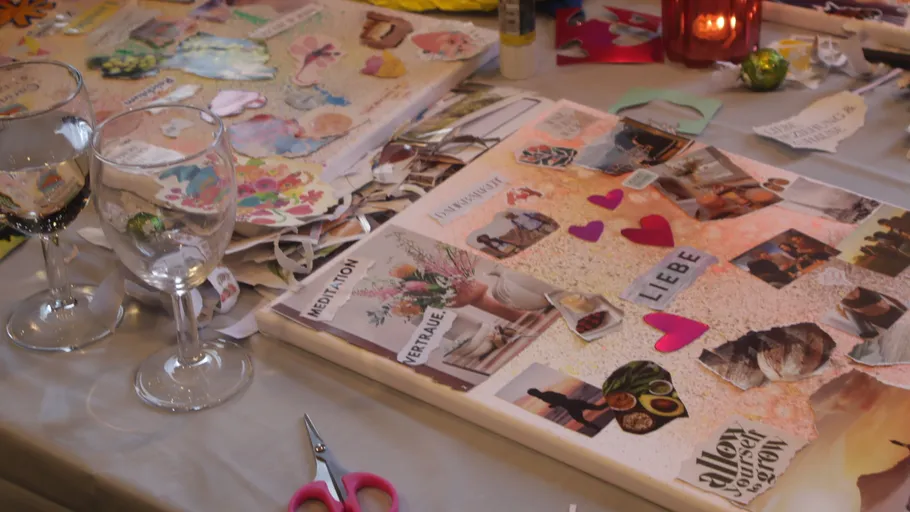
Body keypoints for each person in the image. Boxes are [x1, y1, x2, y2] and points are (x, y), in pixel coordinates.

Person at [527, 388, 609, 432]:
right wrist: (555, 404)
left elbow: (562, 397)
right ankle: (597, 428)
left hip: (571, 405)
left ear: (536, 392)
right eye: (533, 394)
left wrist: (555, 404)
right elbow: (561, 398)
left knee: (595, 410)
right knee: (584, 418)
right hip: (571, 405)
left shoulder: (545, 395)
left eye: (533, 393)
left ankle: (598, 428)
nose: (534, 395)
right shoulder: (544, 396)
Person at [838, 287, 907, 337]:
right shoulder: (840, 295)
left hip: (893, 313)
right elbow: (852, 314)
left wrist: (905, 308)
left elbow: (891, 296)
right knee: (903, 335)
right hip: (878, 320)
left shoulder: (862, 283)